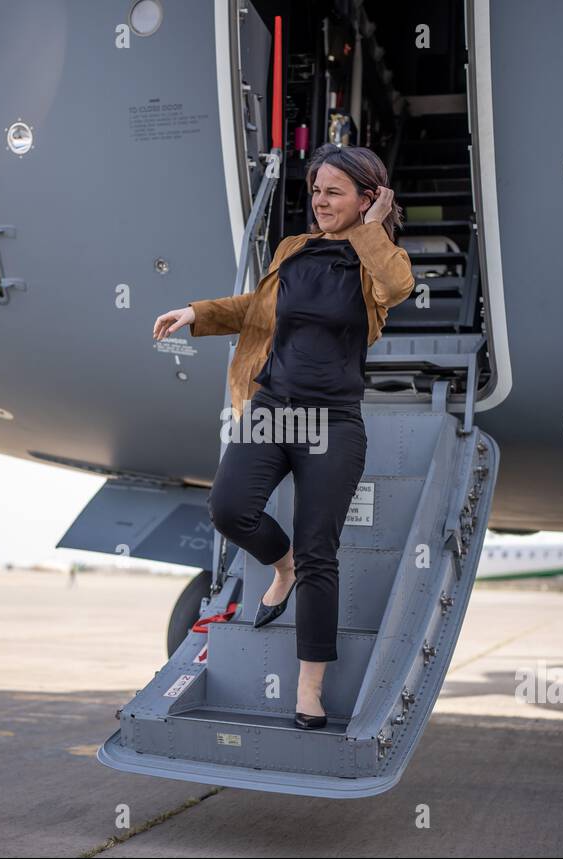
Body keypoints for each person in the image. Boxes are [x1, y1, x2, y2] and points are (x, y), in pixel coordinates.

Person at [151, 144, 413, 729]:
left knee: (323, 552)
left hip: (333, 422)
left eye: (334, 192)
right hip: (273, 408)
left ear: (368, 199)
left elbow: (396, 288)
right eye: (316, 190)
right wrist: (196, 313)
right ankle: (282, 566)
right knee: (228, 509)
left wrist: (370, 230)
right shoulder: (294, 249)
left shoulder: (378, 259)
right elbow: (260, 310)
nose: (320, 201)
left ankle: (309, 688)